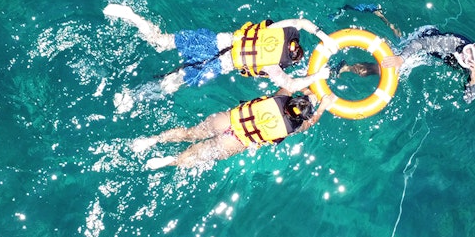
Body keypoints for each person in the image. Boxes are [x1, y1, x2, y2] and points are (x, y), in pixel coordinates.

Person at [104, 3, 340, 95]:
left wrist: (323, 35)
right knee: (172, 84)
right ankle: (132, 96)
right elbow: (290, 85)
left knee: (161, 41)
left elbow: (301, 23)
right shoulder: (271, 66)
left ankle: (132, 16)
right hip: (216, 65)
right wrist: (319, 75)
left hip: (213, 42)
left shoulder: (276, 30)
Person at [132, 91, 337, 170]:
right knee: (196, 155)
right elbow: (311, 122)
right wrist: (322, 106)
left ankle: (153, 140)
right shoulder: (293, 128)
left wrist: (311, 89)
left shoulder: (280, 96)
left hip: (225, 121)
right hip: (236, 141)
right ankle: (170, 160)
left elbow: (293, 84)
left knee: (189, 133)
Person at [334, 6, 475, 104]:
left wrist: (474, 78)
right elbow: (420, 44)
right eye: (469, 50)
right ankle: (346, 67)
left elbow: (468, 99)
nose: (465, 55)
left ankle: (384, 18)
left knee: (397, 47)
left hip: (436, 56)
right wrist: (401, 58)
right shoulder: (452, 43)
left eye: (471, 60)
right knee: (390, 66)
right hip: (427, 38)